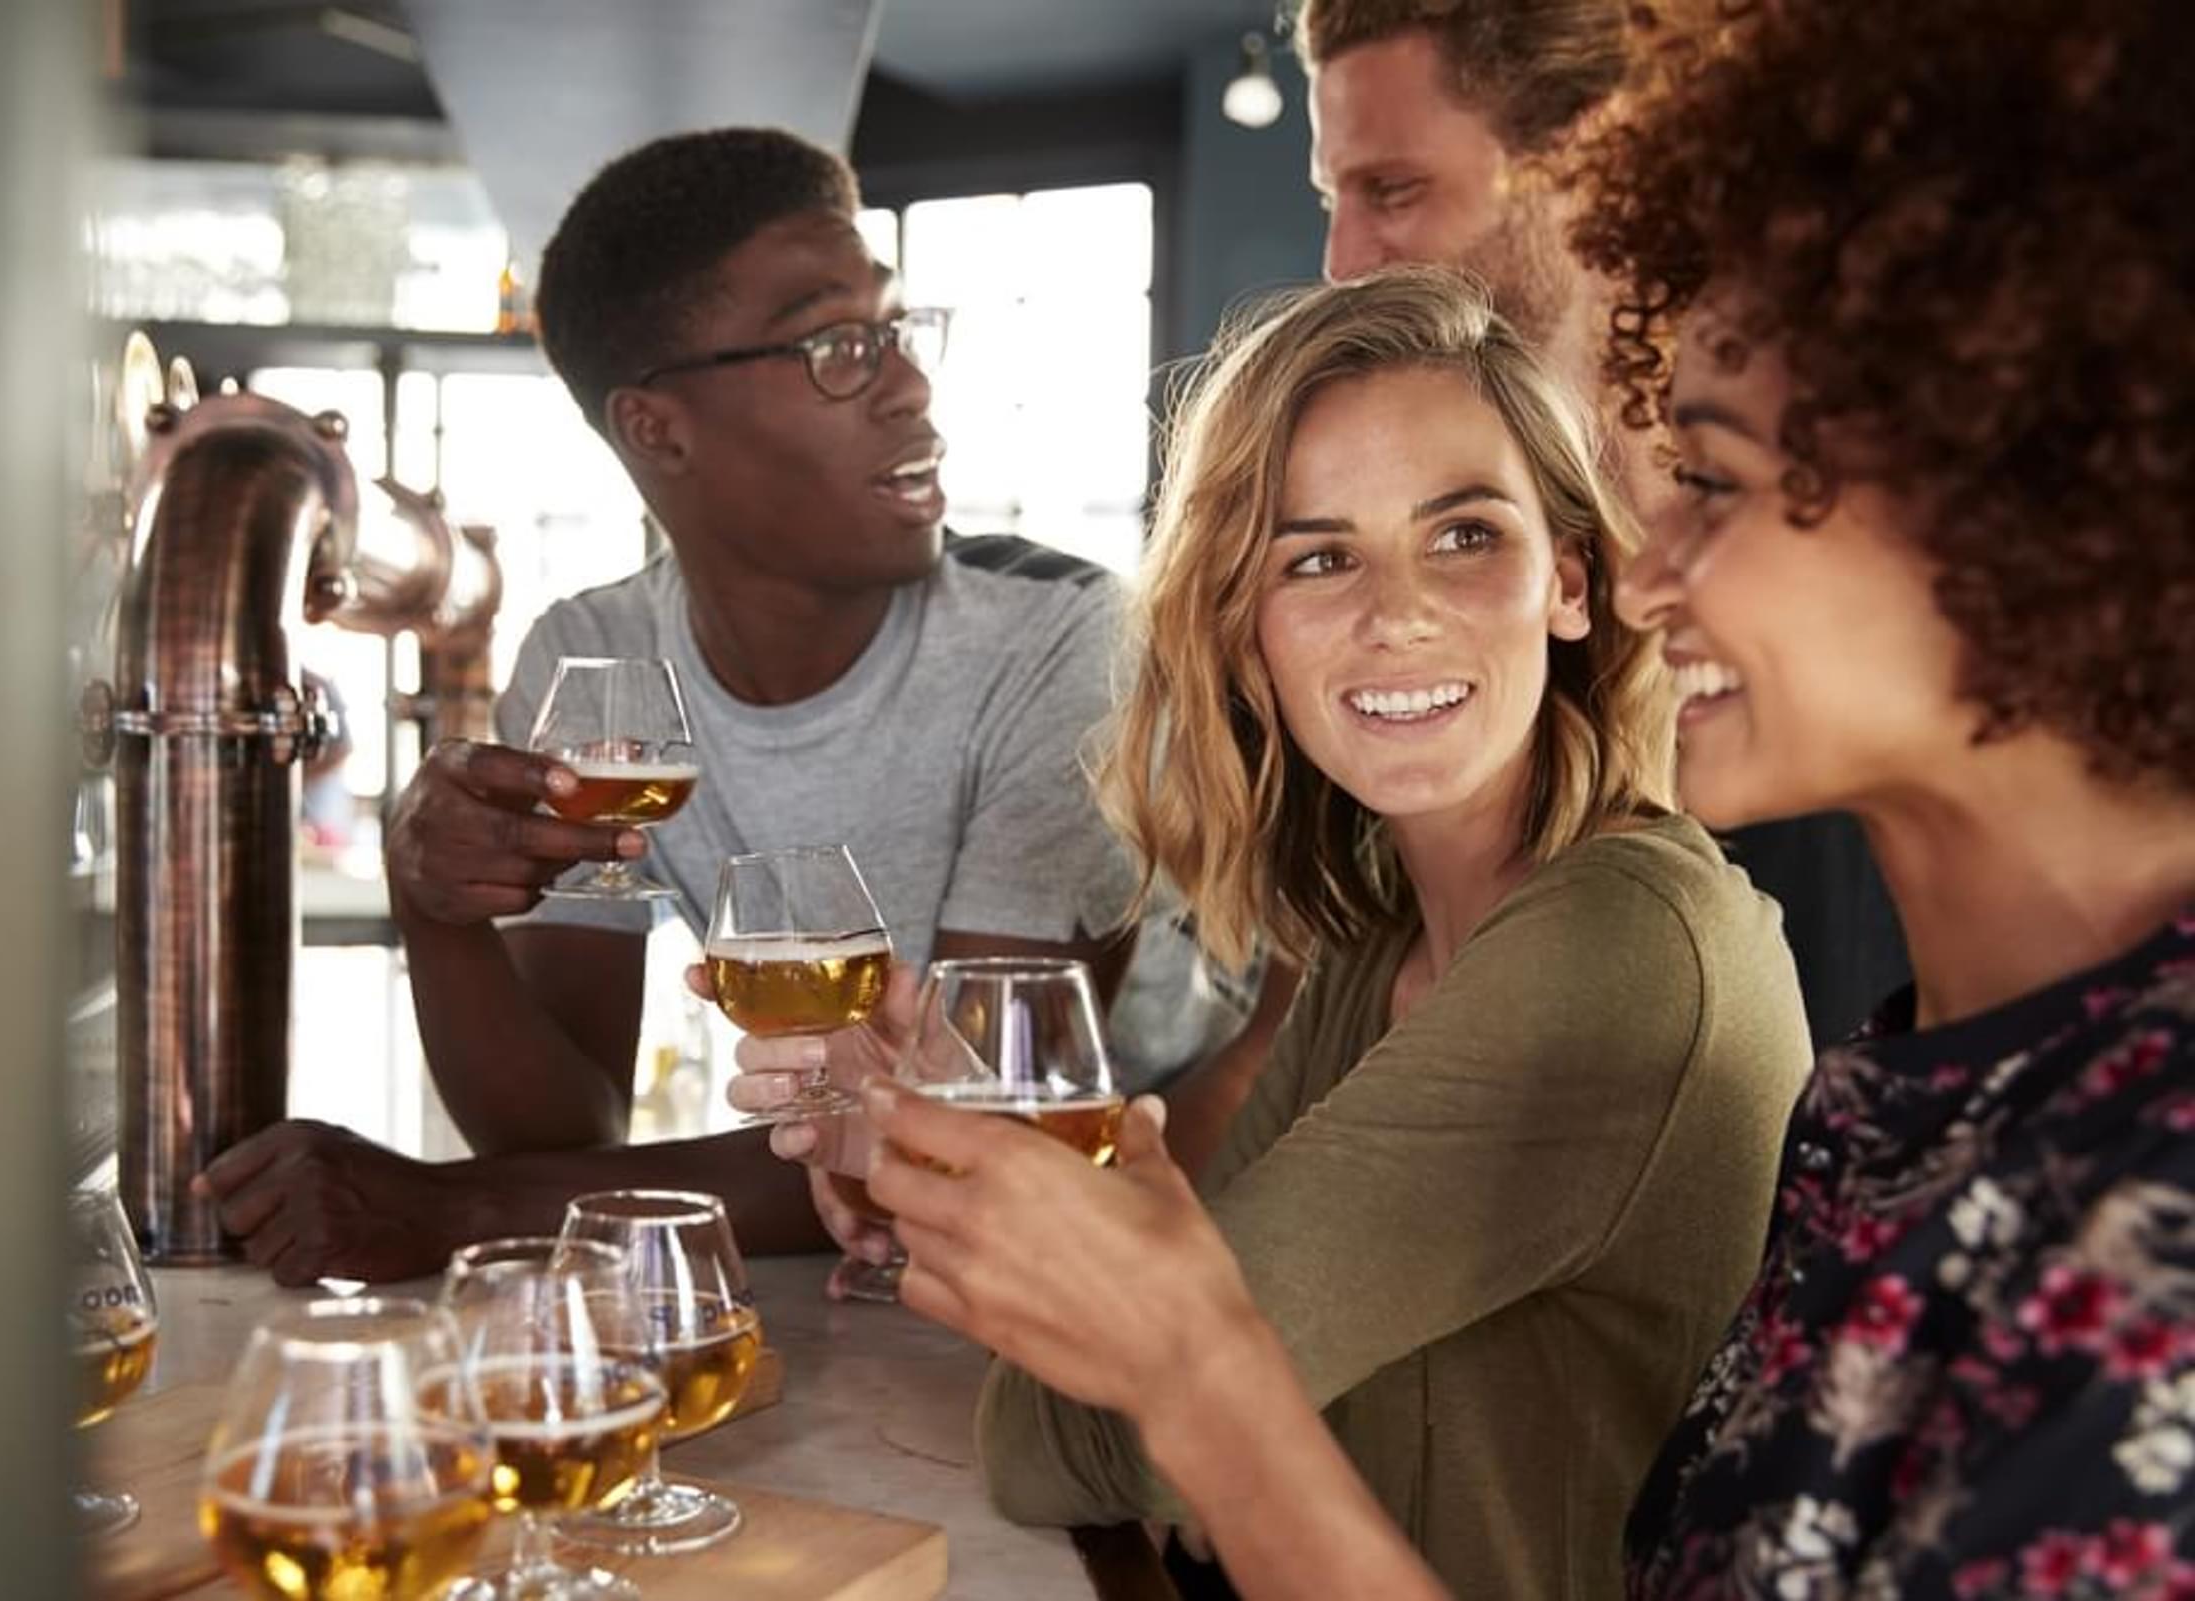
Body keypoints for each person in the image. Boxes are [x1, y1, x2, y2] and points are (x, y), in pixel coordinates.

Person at [857, 2, 2195, 1596]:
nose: (1653, 573)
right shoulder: (1897, 1097)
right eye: (1316, 557)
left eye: (1710, 479)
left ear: (2013, 500)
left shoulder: (2136, 1201)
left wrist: (1196, 1373)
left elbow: (1108, 1408)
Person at [760, 266, 1812, 1598]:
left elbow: (1078, 1438)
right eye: (1318, 557)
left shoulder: (1616, 950)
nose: (1398, 610)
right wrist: (960, 1137)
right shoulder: (1381, 936)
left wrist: (990, 1178)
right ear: (1249, 641)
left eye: (1466, 535)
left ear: (1573, 582)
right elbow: (1179, 1324)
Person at [193, 127, 1258, 1286]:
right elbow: (561, 1124)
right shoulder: (593, 658)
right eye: (838, 345)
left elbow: (975, 1122)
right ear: (657, 426)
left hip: (1187, 1229)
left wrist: (449, 1208)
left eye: (894, 329)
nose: (909, 385)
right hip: (905, 1256)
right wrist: (433, 899)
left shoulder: (1060, 640)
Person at [1299, 0, 1906, 1046]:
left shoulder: (1846, 526)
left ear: (1585, 157)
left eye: (1392, 190)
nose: (1342, 260)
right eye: (1333, 197)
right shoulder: (1458, 605)